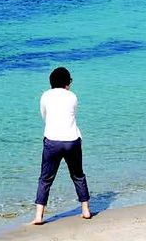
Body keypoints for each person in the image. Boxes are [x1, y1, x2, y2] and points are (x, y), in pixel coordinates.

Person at [31, 66, 91, 225]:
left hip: (52, 140)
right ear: (66, 83)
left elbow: (44, 116)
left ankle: (39, 216)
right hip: (72, 139)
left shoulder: (45, 96)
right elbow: (72, 114)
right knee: (78, 175)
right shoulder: (72, 96)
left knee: (45, 179)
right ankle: (85, 210)